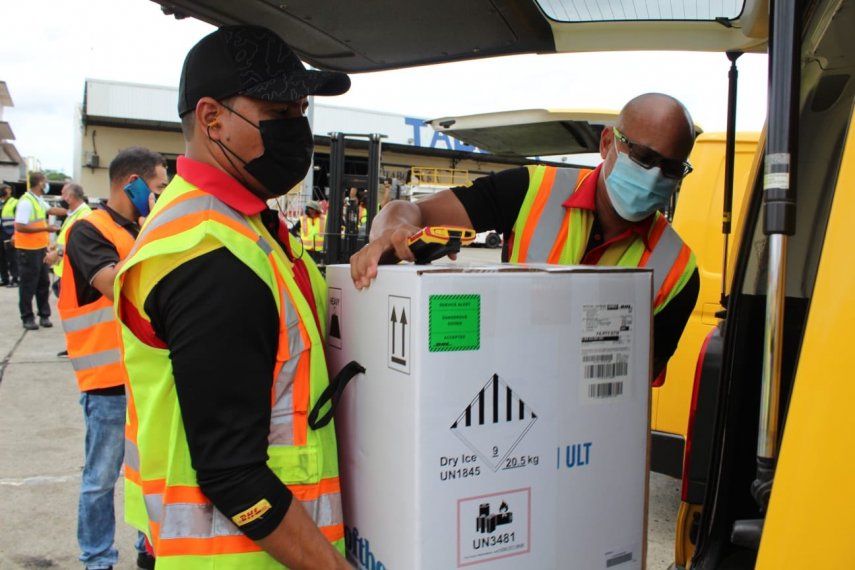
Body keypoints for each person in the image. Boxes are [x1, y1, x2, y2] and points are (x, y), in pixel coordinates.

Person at [115, 25, 351, 569]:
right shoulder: (207, 254)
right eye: (279, 115)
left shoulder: (243, 224)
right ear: (211, 118)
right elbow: (231, 473)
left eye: (302, 111)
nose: (299, 130)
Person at [352, 93, 701, 380]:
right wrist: (390, 235)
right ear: (607, 142)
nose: (655, 178)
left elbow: (636, 385)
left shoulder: (679, 269)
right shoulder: (531, 189)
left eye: (671, 168)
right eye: (643, 157)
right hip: (500, 392)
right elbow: (413, 212)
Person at [59, 147, 168, 570]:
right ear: (133, 185)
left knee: (150, 474)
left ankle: (149, 546)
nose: (160, 196)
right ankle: (97, 558)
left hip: (145, 377)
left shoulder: (140, 228)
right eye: (157, 187)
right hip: (106, 379)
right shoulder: (89, 229)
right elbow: (115, 284)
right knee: (101, 479)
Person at [14, 172, 66, 330]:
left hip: (40, 249)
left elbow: (51, 211)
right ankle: (27, 317)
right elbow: (19, 226)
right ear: (40, 183)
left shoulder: (38, 200)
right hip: (28, 250)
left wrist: (71, 212)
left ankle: (44, 315)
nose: (47, 184)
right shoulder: (26, 202)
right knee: (28, 285)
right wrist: (46, 228)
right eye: (45, 181)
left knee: (43, 283)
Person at [45, 182, 93, 296]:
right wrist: (56, 246)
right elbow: (67, 238)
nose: (62, 198)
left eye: (63, 194)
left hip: (73, 273)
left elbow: (80, 245)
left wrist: (58, 252)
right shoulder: (72, 215)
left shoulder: (84, 216)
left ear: (70, 197)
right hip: (65, 271)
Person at [0, 183, 18, 286]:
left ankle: (15, 279)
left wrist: (15, 234)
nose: (2, 191)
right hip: (1, 232)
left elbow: (18, 219)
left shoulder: (15, 202)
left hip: (9, 233)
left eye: (4, 189)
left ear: (10, 190)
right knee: (1, 257)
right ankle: (4, 278)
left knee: (12, 257)